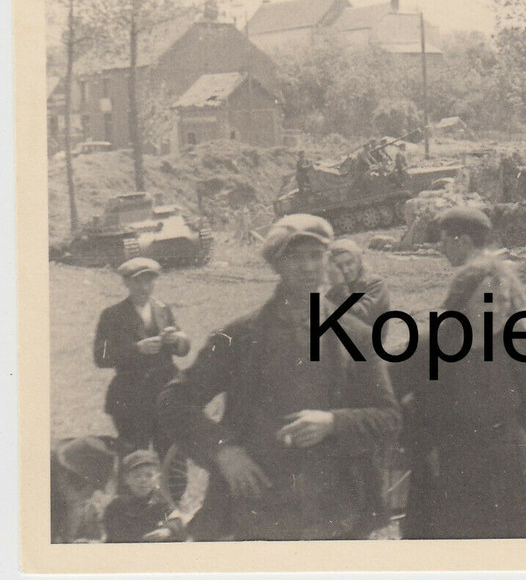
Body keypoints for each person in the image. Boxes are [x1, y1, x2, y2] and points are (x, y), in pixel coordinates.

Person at [158, 214, 401, 541]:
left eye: (316, 256)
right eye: (295, 257)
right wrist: (223, 451)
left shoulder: (356, 336)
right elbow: (174, 401)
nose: (307, 266)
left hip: (336, 512)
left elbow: (388, 418)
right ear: (276, 264)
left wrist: (333, 422)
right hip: (260, 511)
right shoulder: (241, 336)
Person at [404, 207, 526, 540]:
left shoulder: (482, 281)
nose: (440, 248)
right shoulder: (496, 284)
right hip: (473, 444)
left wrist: (514, 428)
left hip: (490, 445)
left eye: (443, 240)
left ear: (462, 239)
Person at [93, 258, 190, 454]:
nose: (144, 288)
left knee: (172, 454)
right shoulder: (112, 315)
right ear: (126, 283)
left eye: (149, 281)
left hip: (165, 394)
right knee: (134, 457)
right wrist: (136, 348)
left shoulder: (162, 310)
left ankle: (171, 486)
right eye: (138, 282)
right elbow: (101, 356)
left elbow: (182, 349)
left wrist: (177, 339)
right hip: (131, 397)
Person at [102, 450, 182, 543]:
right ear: (126, 479)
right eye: (137, 476)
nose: (143, 480)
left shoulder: (160, 501)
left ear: (157, 478)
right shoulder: (117, 505)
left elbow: (176, 519)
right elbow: (112, 530)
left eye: (149, 475)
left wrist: (167, 530)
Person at [324, 238, 392, 328]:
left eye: (349, 263)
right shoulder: (335, 284)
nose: (345, 270)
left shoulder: (375, 283)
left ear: (358, 261)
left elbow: (359, 316)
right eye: (339, 266)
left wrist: (339, 288)